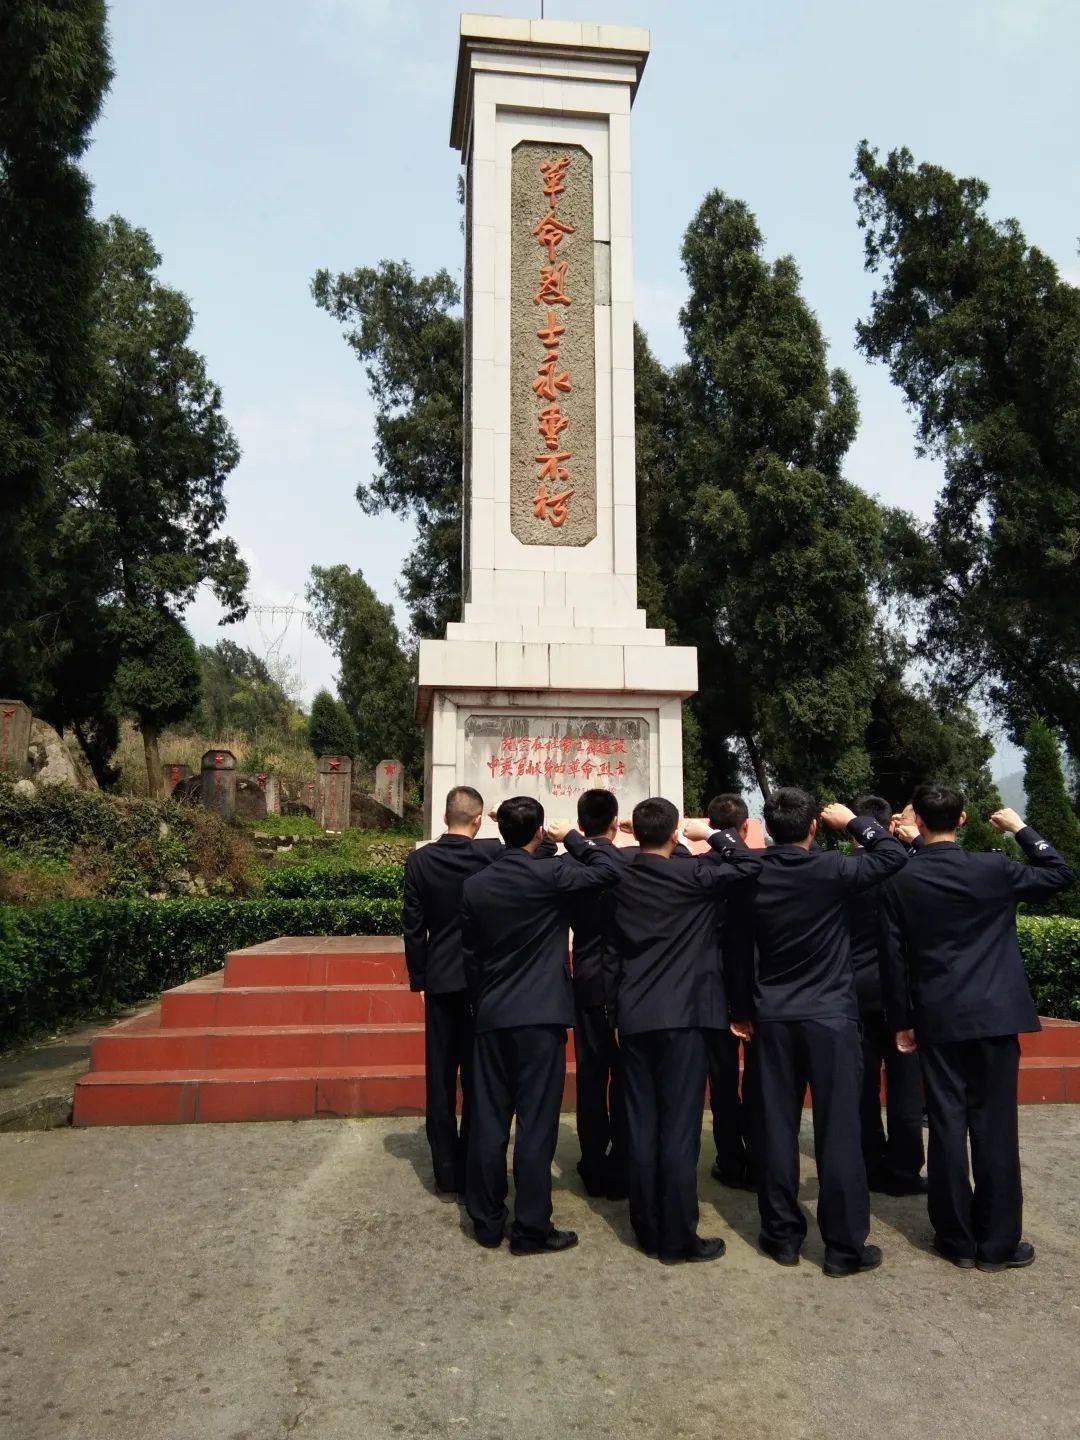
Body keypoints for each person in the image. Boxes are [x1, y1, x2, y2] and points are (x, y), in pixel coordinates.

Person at [705, 790, 908, 1277]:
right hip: (831, 1016)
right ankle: (843, 1247)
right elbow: (893, 854)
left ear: (769, 829)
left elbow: (736, 946)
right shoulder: (833, 870)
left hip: (772, 1014)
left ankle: (782, 1236)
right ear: (813, 828)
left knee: (774, 1127)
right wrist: (855, 822)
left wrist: (740, 1007)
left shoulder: (751, 872)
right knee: (839, 1130)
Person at [880, 787, 1074, 1272]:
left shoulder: (899, 877)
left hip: (938, 1015)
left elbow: (894, 957)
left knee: (947, 1124)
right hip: (993, 1015)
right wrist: (1019, 828)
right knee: (995, 1128)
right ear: (963, 819)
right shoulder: (993, 868)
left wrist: (902, 1021)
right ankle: (998, 1242)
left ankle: (956, 1237)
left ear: (918, 821)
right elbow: (1060, 873)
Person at [597, 797, 762, 1263]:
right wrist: (709, 832)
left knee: (643, 1124)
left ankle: (646, 1228)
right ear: (675, 833)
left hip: (634, 1014)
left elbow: (611, 951)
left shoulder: (620, 876)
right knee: (680, 1130)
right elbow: (748, 866)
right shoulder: (697, 876)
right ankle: (678, 1235)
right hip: (688, 1017)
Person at [461, 796, 620, 1255]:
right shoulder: (553, 874)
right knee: (536, 1124)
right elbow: (608, 868)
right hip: (542, 1015)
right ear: (538, 831)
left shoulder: (476, 886)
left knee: (490, 1120)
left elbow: (471, 958)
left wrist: (482, 1002)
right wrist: (570, 837)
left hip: (493, 1013)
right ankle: (531, 1226)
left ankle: (488, 1220)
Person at [402, 785, 502, 1195]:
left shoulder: (420, 861)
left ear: (445, 817)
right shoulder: (491, 854)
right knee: (479, 1076)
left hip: (441, 979)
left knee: (440, 1078)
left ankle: (446, 1170)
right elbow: (542, 848)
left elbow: (413, 927)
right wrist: (499, 818)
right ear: (477, 819)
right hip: (483, 980)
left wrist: (420, 979)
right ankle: (476, 1161)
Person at [847, 794, 926, 1196]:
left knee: (861, 1084)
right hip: (903, 993)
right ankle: (905, 1167)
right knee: (905, 1083)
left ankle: (868, 1161)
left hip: (855, 990)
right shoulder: (909, 869)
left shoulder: (844, 870)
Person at [568, 789, 629, 1200]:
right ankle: (622, 1160)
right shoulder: (630, 864)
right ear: (614, 822)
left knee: (592, 1076)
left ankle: (592, 1162)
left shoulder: (565, 867)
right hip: (627, 982)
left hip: (588, 977)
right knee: (626, 1077)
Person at [702, 792, 757, 1191]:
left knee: (722, 1082)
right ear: (745, 828)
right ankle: (758, 1156)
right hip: (755, 986)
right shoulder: (759, 867)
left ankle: (731, 1159)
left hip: (713, 986)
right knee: (758, 1080)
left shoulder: (695, 869)